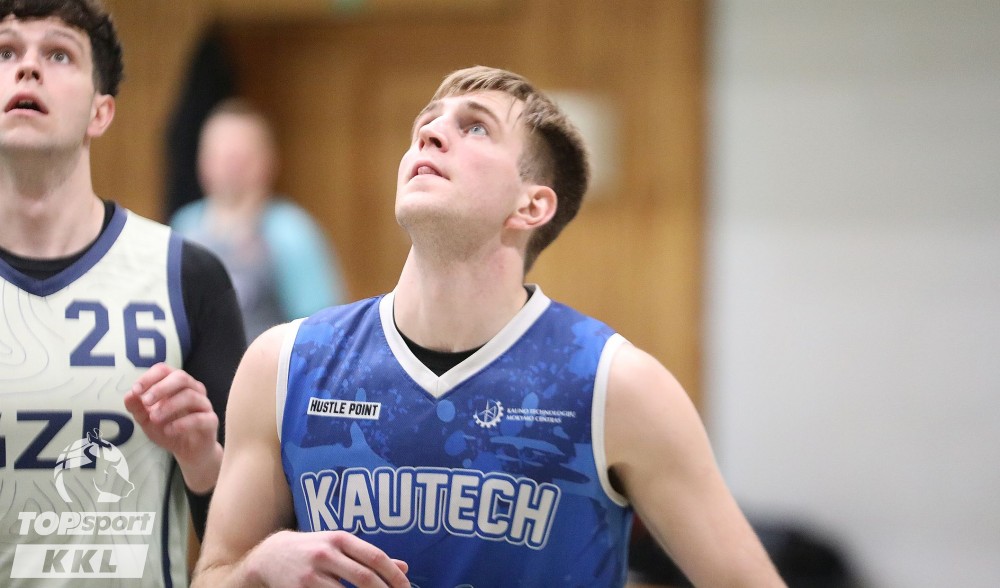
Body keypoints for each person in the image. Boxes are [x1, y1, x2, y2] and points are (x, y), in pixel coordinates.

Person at [193, 66, 786, 587]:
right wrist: (259, 565)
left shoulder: (617, 386)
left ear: (531, 205)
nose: (430, 133)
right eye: (427, 122)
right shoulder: (283, 363)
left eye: (475, 127)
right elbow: (214, 574)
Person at [0, 1, 245, 585]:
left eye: (58, 53)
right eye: (5, 51)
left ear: (100, 112)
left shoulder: (187, 276)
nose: (27, 67)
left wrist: (202, 461)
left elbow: (251, 542)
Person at [171, 98, 345, 342]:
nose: (230, 167)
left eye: (240, 157)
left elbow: (323, 329)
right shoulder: (184, 226)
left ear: (268, 161)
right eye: (219, 155)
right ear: (201, 161)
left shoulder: (291, 232)